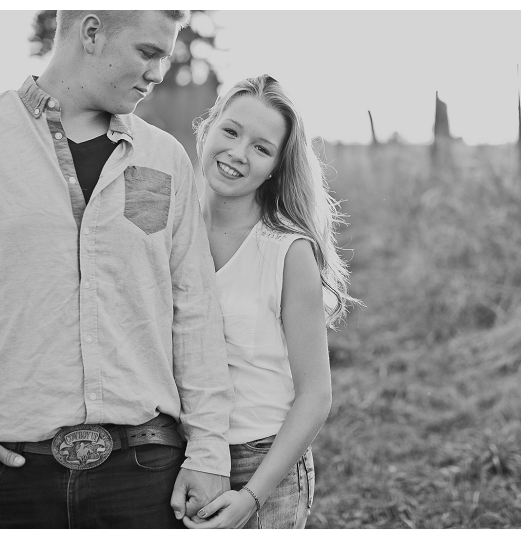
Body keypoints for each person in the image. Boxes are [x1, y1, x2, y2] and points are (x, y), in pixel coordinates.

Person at [0, 10, 234, 528]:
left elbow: (195, 311)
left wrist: (209, 453)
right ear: (92, 32)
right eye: (148, 52)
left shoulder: (164, 158)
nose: (159, 72)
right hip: (8, 479)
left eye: (165, 56)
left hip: (146, 475)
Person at [182, 75, 358, 529]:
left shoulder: (286, 251)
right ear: (208, 129)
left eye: (261, 148)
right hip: (179, 454)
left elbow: (316, 394)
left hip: (262, 463)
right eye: (231, 131)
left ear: (276, 167)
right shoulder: (171, 233)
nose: (238, 153)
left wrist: (252, 497)